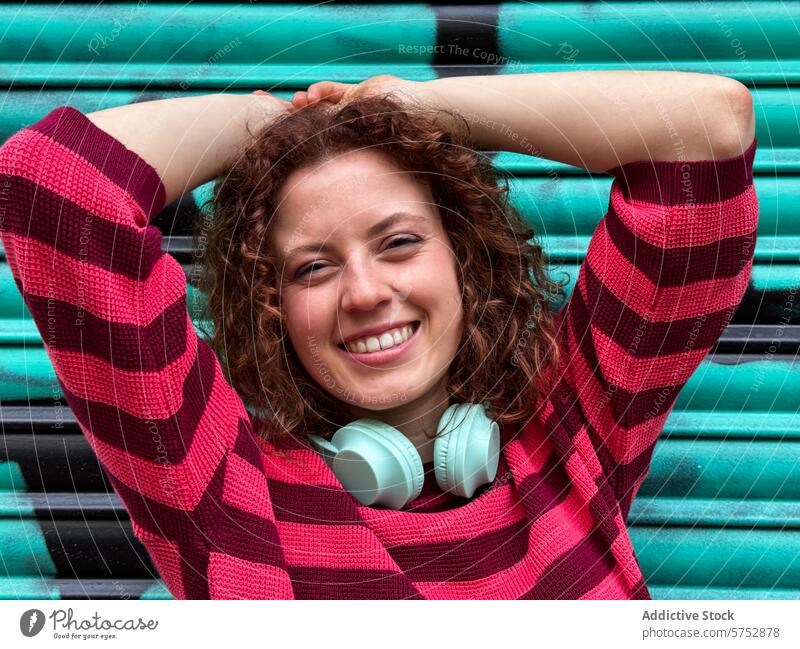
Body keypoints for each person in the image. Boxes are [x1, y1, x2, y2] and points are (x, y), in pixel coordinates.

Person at [0, 71, 758, 599]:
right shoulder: (225, 498)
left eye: (398, 244)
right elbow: (52, 185)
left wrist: (409, 105)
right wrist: (287, 124)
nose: (365, 293)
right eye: (313, 267)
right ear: (272, 309)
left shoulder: (575, 433)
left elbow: (711, 127)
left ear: (463, 259)